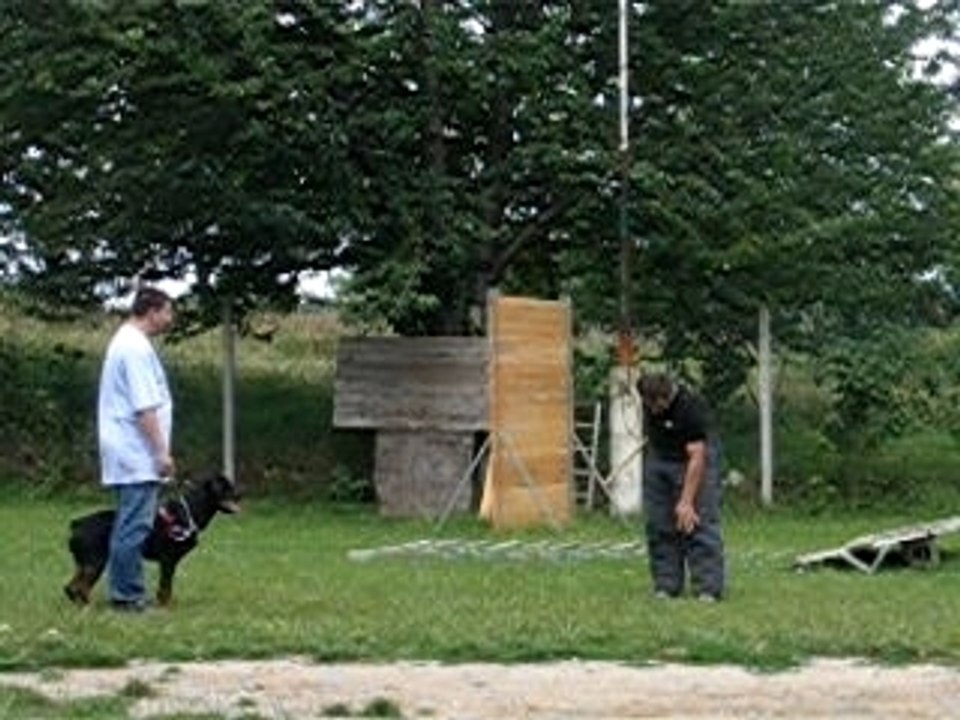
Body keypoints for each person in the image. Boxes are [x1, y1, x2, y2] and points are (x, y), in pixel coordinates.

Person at [98, 286, 175, 611]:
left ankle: (125, 591)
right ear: (152, 310)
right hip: (136, 451)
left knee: (130, 521)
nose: (171, 319)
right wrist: (160, 452)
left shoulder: (126, 342)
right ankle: (127, 595)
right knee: (134, 525)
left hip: (128, 448)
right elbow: (144, 407)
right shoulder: (135, 349)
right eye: (168, 311)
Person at [638, 372, 725, 601]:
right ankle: (666, 585)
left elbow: (697, 457)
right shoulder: (647, 398)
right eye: (648, 404)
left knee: (697, 522)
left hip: (693, 459)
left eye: (656, 405)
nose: (652, 410)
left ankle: (708, 588)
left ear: (666, 398)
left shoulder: (690, 408)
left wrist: (686, 502)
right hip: (660, 458)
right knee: (660, 524)